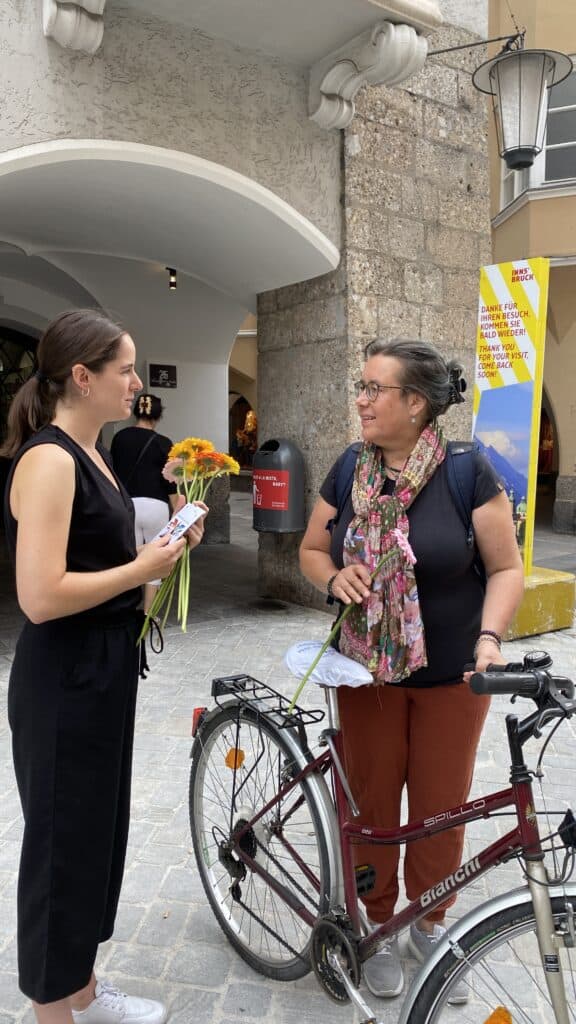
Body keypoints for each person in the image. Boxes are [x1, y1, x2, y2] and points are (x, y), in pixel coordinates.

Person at [299, 337, 524, 1002]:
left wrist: (489, 639)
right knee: (370, 806)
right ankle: (375, 923)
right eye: (361, 387)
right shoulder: (349, 468)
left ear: (416, 404)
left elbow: (505, 567)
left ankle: (429, 924)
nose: (361, 400)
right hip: (365, 676)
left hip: (451, 675)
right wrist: (334, 575)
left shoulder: (466, 472)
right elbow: (313, 548)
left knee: (439, 809)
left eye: (374, 388)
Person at [1, 310, 206, 1024]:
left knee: (97, 832)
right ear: (82, 377)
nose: (137, 382)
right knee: (61, 845)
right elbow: (40, 595)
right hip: (63, 679)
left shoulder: (98, 456)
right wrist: (139, 568)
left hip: (101, 670)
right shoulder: (50, 459)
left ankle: (83, 987)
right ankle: (49, 1009)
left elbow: (113, 571)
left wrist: (166, 554)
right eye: (125, 368)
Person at [110, 394, 178, 612]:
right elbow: (171, 485)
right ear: (158, 415)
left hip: (127, 507)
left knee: (130, 559)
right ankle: (150, 615)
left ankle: (125, 611)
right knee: (155, 560)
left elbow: (112, 474)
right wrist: (178, 512)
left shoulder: (120, 438)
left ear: (136, 412)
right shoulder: (164, 443)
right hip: (156, 507)